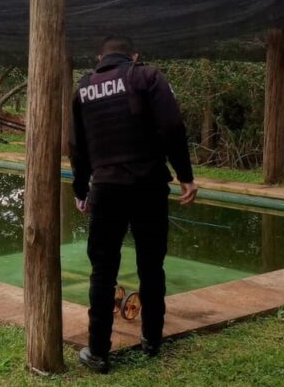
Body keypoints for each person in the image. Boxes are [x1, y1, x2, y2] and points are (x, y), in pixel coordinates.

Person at [69, 36, 198, 373]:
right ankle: (152, 340)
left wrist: (81, 190)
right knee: (151, 265)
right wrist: (185, 174)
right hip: (149, 186)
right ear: (134, 55)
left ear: (100, 57)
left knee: (102, 270)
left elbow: (77, 147)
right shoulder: (148, 76)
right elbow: (172, 125)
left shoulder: (83, 90)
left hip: (107, 188)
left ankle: (98, 352)